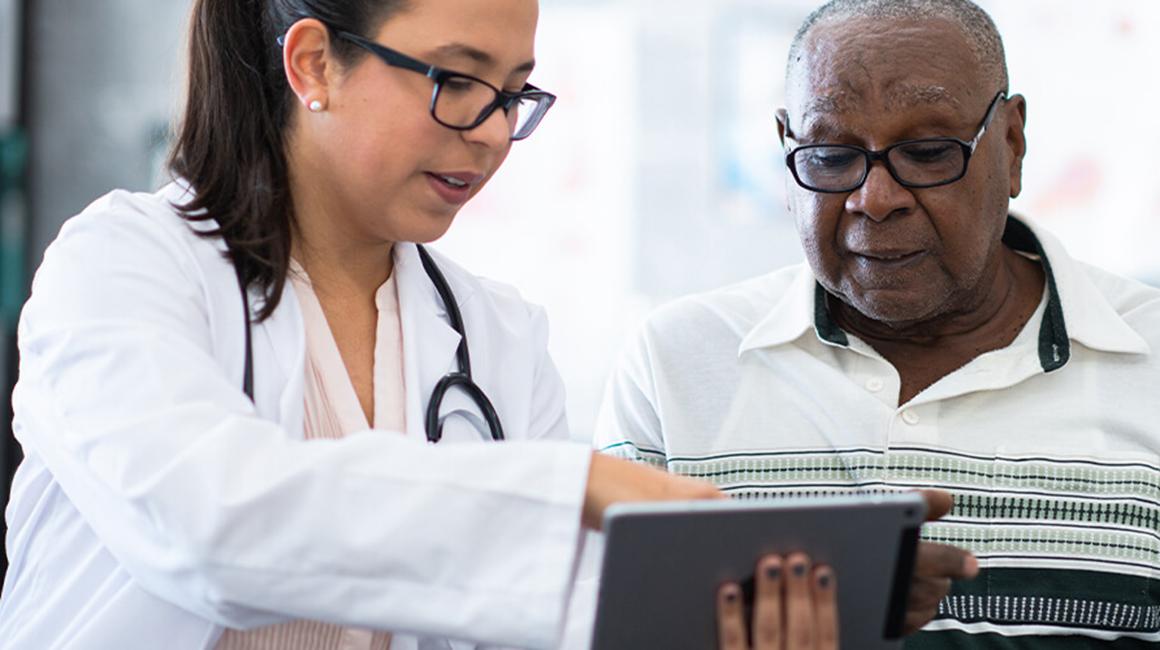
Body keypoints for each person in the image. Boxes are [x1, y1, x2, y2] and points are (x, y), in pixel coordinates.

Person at [0, 1, 747, 648]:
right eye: (456, 81)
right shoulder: (122, 265)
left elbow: (550, 612)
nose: (491, 133)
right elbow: (210, 525)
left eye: (516, 93)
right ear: (316, 64)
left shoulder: (497, 337)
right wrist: (564, 489)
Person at [595, 0, 1160, 647]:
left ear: (1011, 143)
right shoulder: (677, 365)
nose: (875, 198)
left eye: (925, 152)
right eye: (832, 156)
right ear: (786, 151)